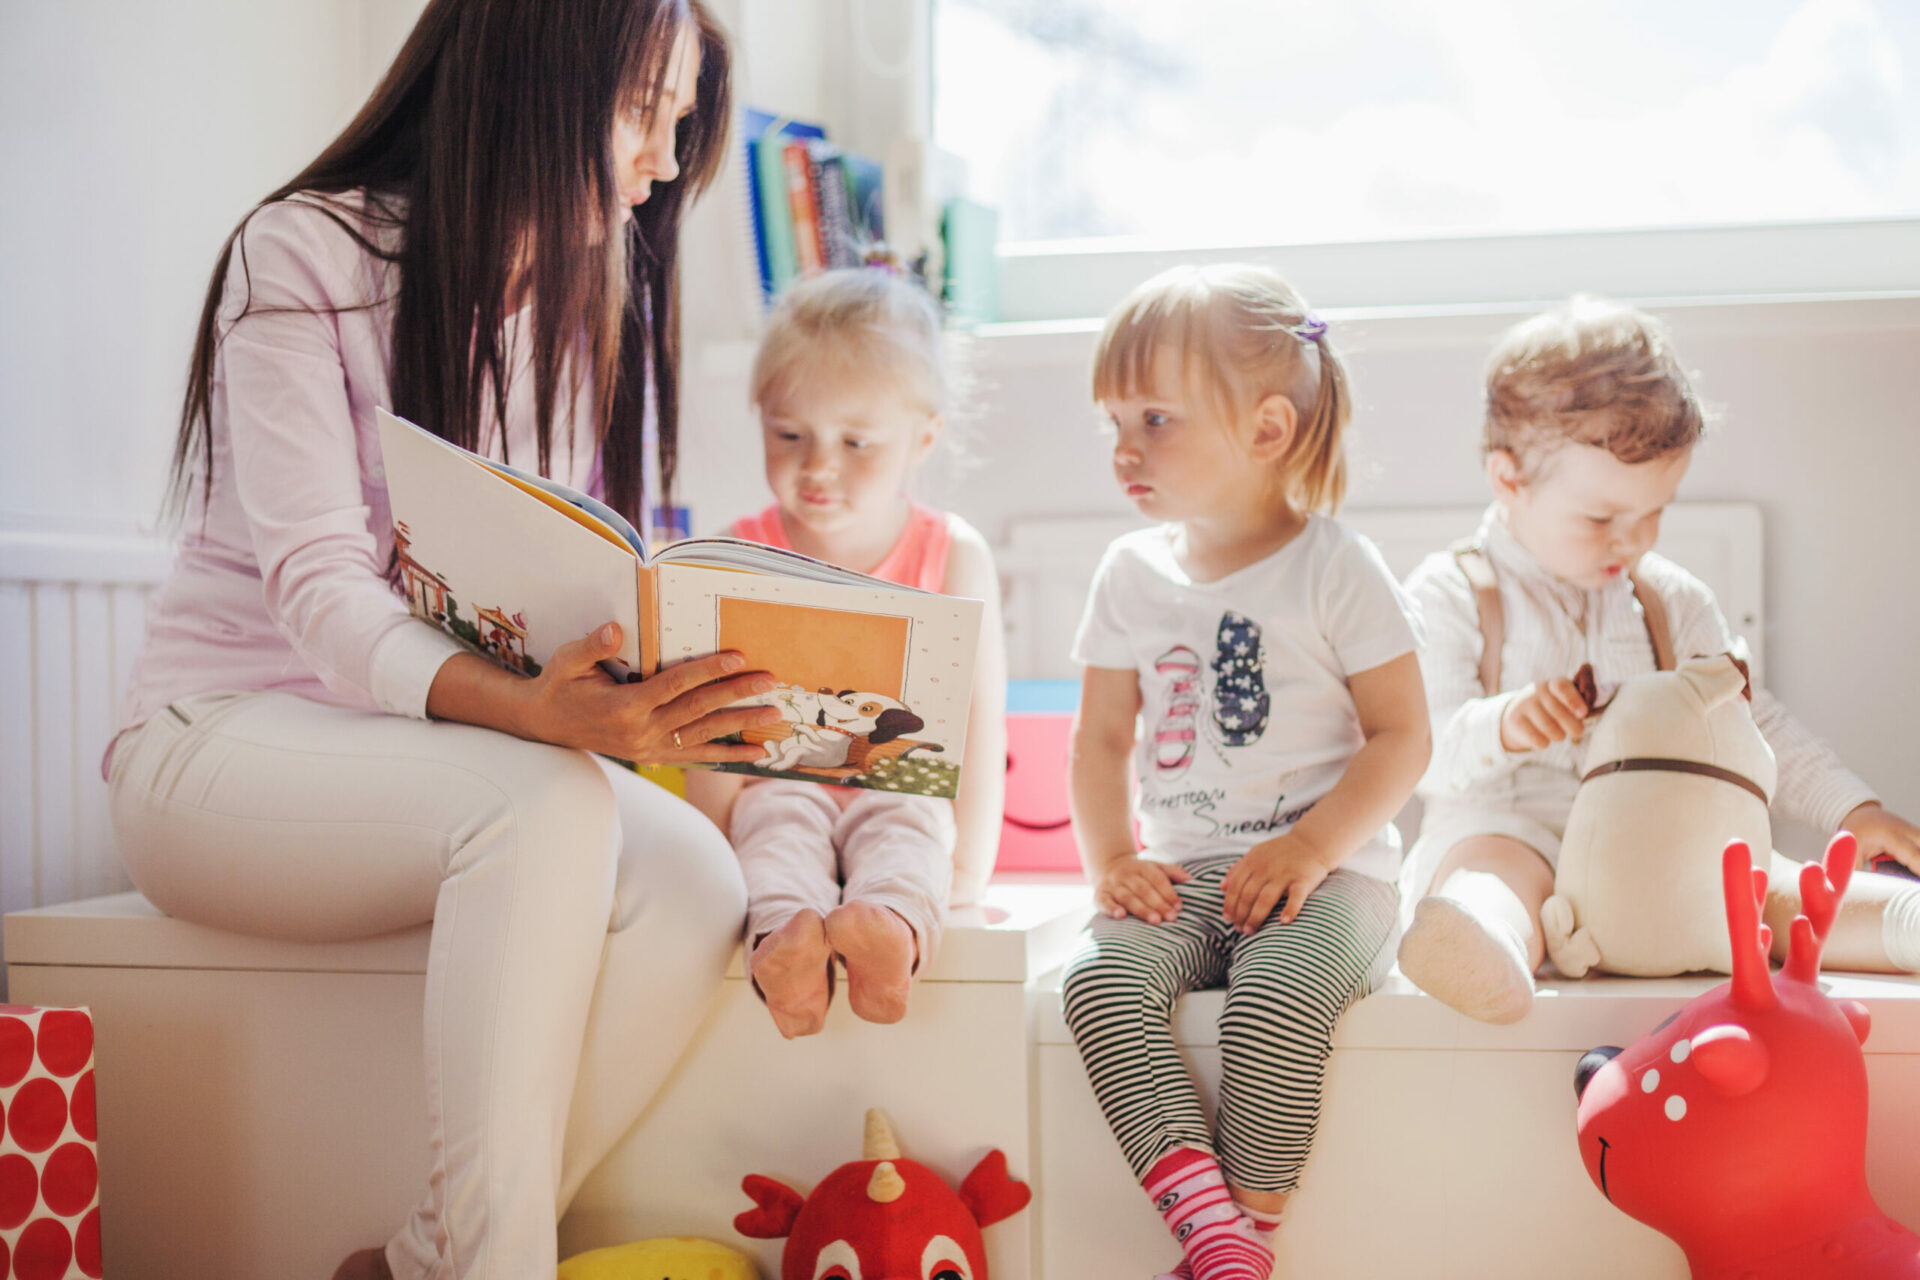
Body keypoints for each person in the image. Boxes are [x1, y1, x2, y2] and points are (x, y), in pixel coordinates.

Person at [103, 3, 781, 1276]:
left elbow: (538, 587)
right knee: (540, 805)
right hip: (217, 741)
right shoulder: (300, 254)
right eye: (646, 112)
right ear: (540, 78)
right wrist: (537, 714)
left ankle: (433, 1258)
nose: (662, 161)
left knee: (694, 879)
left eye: (682, 124)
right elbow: (319, 588)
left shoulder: (586, 297)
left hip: (439, 761)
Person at [1396, 295, 1920, 1025]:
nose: (1633, 540)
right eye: (1602, 518)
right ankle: (1488, 950)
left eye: (1656, 512)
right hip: (1518, 832)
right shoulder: (1451, 592)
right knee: (1491, 866)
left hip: (1658, 855)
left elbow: (1752, 724)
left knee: (1762, 880)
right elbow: (1421, 754)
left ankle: (1902, 924)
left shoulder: (1670, 599)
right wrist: (1507, 724)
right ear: (1508, 479)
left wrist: (1850, 809)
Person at [1059, 265, 1431, 1280]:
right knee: (1096, 983)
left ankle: (1247, 1233)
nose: (1126, 449)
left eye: (1157, 419)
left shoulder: (1335, 566)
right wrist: (1113, 859)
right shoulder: (1127, 575)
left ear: (1267, 431)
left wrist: (1312, 845)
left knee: (1272, 997)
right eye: (1114, 422)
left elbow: (1403, 735)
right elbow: (1098, 740)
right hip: (1184, 874)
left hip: (1327, 874)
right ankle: (1212, 1232)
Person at [683, 267, 1007, 1039]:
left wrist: (966, 877)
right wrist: (713, 848)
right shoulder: (735, 552)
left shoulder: (951, 554)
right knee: (775, 831)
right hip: (773, 785)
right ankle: (787, 947)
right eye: (789, 435)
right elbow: (706, 724)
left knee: (909, 825)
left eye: (856, 442)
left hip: (902, 785)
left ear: (922, 437)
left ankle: (888, 930)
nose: (818, 466)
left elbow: (980, 720)